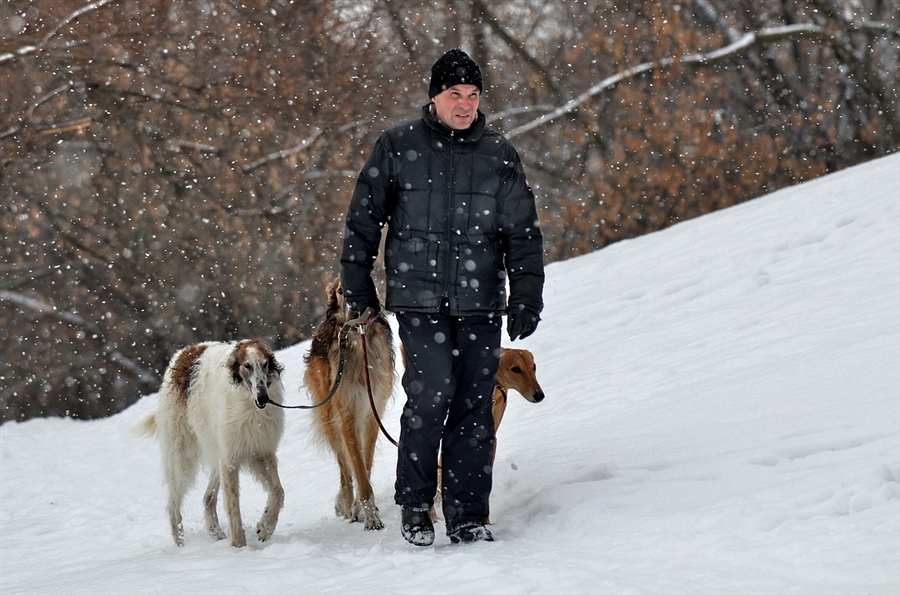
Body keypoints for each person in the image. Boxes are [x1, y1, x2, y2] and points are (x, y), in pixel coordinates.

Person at [340, 48, 544, 546]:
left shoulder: (498, 153)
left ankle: (468, 514)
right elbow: (364, 220)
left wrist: (526, 296)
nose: (466, 105)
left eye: (473, 96)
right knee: (430, 398)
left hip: (480, 302)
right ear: (435, 97)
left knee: (475, 406)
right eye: (456, 94)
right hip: (419, 297)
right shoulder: (398, 145)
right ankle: (415, 506)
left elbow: (522, 232)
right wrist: (358, 284)